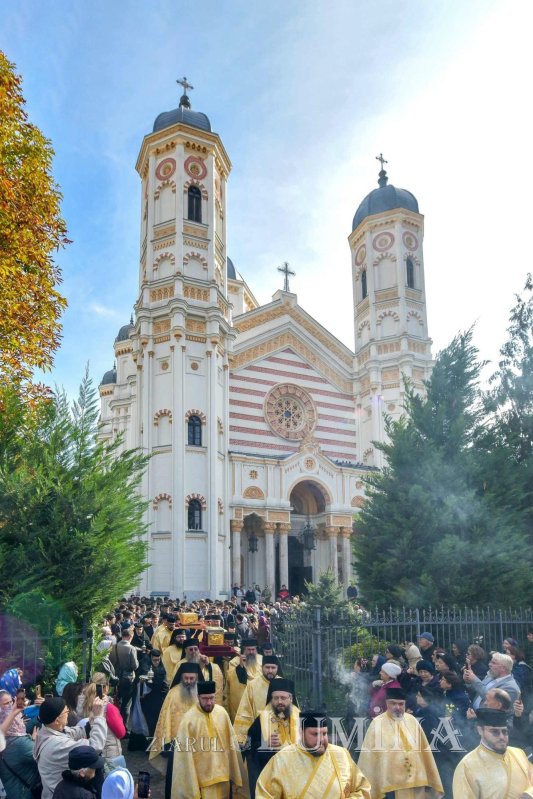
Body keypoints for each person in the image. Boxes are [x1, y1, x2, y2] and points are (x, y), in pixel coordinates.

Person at [255, 710, 371, 798]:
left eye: (324, 733)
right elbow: (264, 794)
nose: (321, 739)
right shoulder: (281, 759)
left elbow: (362, 788)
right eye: (315, 734)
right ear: (301, 732)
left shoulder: (341, 754)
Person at [358, 687, 443, 798]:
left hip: (416, 783)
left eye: (401, 704)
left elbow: (425, 751)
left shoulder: (412, 721)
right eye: (393, 703)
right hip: (391, 786)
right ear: (386, 704)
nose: (397, 707)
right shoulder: (377, 724)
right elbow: (368, 758)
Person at [171, 681, 248, 799]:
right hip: (204, 782)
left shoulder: (222, 713)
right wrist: (192, 785)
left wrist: (234, 773)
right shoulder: (188, 720)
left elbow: (232, 746)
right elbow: (184, 756)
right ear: (198, 697)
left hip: (223, 777)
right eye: (205, 699)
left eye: (212, 698)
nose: (209, 702)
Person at [34, 696, 108, 799]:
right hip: (60, 795)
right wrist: (99, 717)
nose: (68, 713)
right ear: (56, 720)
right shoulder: (56, 744)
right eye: (66, 712)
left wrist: (92, 719)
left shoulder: (46, 730)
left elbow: (75, 732)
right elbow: (94, 747)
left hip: (57, 792)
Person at [452, 707, 533, 798]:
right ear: (480, 730)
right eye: (495, 732)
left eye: (504, 732)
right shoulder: (467, 765)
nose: (502, 737)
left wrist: (529, 794)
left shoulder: (519, 753)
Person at [244, 679, 299, 799]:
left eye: (283, 698)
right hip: (270, 777)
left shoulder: (301, 718)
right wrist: (265, 745)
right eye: (276, 698)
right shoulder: (261, 720)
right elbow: (248, 747)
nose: (280, 702)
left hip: (295, 774)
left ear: (291, 699)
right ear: (271, 699)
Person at [0, 690, 41, 799]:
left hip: (11, 789)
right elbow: (42, 754)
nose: (10, 706)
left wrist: (38, 718)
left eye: (11, 702)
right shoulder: (17, 743)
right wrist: (33, 740)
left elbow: (23, 730)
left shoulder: (10, 733)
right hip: (23, 793)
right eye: (6, 704)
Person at [233, 656, 280, 745]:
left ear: (277, 668)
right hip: (258, 732)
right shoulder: (252, 685)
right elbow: (245, 711)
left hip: (280, 732)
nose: (270, 671)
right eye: (267, 667)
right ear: (262, 667)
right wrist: (242, 737)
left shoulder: (283, 684)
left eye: (273, 667)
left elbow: (293, 711)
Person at [81, 673, 125, 765]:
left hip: (91, 753)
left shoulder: (84, 703)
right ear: (106, 687)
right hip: (109, 756)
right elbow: (121, 732)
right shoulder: (108, 708)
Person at [226, 639, 263, 722]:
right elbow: (231, 679)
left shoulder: (262, 659)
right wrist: (241, 666)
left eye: (253, 649)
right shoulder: (234, 662)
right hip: (242, 697)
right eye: (248, 649)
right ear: (244, 649)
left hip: (259, 696)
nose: (251, 652)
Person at [109, 626, 139, 726]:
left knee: (117, 701)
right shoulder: (131, 648)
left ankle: (115, 724)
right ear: (130, 636)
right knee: (126, 704)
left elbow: (111, 662)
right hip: (128, 678)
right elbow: (135, 666)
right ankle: (124, 727)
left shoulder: (114, 646)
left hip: (116, 678)